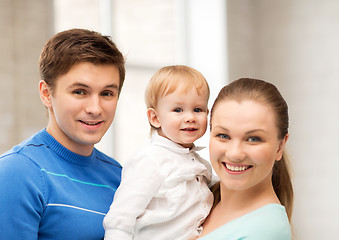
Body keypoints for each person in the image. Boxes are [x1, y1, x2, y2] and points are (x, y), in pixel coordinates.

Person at [0, 28, 126, 239]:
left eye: (107, 93)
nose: (95, 108)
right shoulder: (17, 173)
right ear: (46, 94)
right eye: (80, 92)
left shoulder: (121, 177)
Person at [103, 65, 214, 240]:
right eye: (178, 110)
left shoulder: (201, 164)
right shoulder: (150, 160)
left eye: (198, 110)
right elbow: (120, 219)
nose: (190, 117)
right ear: (155, 118)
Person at [199, 78, 293, 240]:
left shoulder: (264, 232)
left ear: (280, 147)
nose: (235, 153)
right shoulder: (197, 197)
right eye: (223, 135)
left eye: (253, 139)